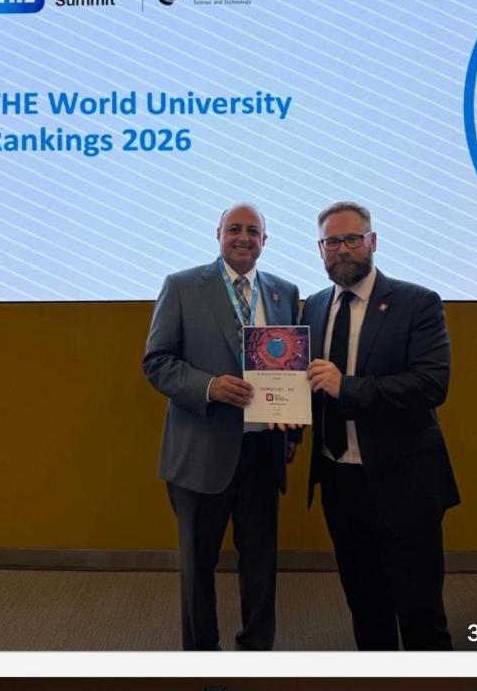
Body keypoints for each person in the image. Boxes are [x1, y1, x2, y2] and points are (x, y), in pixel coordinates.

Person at [302, 201, 460, 650]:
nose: (342, 249)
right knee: (365, 607)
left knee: (421, 614)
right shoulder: (314, 307)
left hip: (404, 483)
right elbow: (308, 385)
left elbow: (431, 385)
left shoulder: (417, 302)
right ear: (320, 249)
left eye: (352, 239)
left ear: (372, 241)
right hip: (339, 481)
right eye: (332, 241)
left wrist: (347, 387)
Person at [142, 203, 301, 651]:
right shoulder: (181, 286)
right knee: (198, 569)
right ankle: (203, 661)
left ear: (265, 240)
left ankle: (255, 654)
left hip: (263, 455)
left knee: (261, 568)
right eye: (235, 229)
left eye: (253, 230)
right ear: (218, 234)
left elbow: (291, 368)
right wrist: (209, 387)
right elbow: (157, 363)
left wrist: (293, 429)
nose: (243, 237)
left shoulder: (284, 292)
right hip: (200, 453)